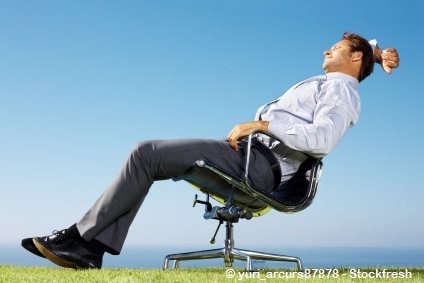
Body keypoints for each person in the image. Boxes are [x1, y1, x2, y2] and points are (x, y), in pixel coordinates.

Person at [21, 32, 400, 269]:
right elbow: (363, 49)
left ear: (353, 59)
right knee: (148, 157)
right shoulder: (334, 81)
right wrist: (378, 50)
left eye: (335, 47)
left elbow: (323, 140)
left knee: (146, 152)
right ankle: (89, 246)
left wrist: (263, 125)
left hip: (260, 166)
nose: (326, 49)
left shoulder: (341, 90)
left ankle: (79, 240)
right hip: (250, 156)